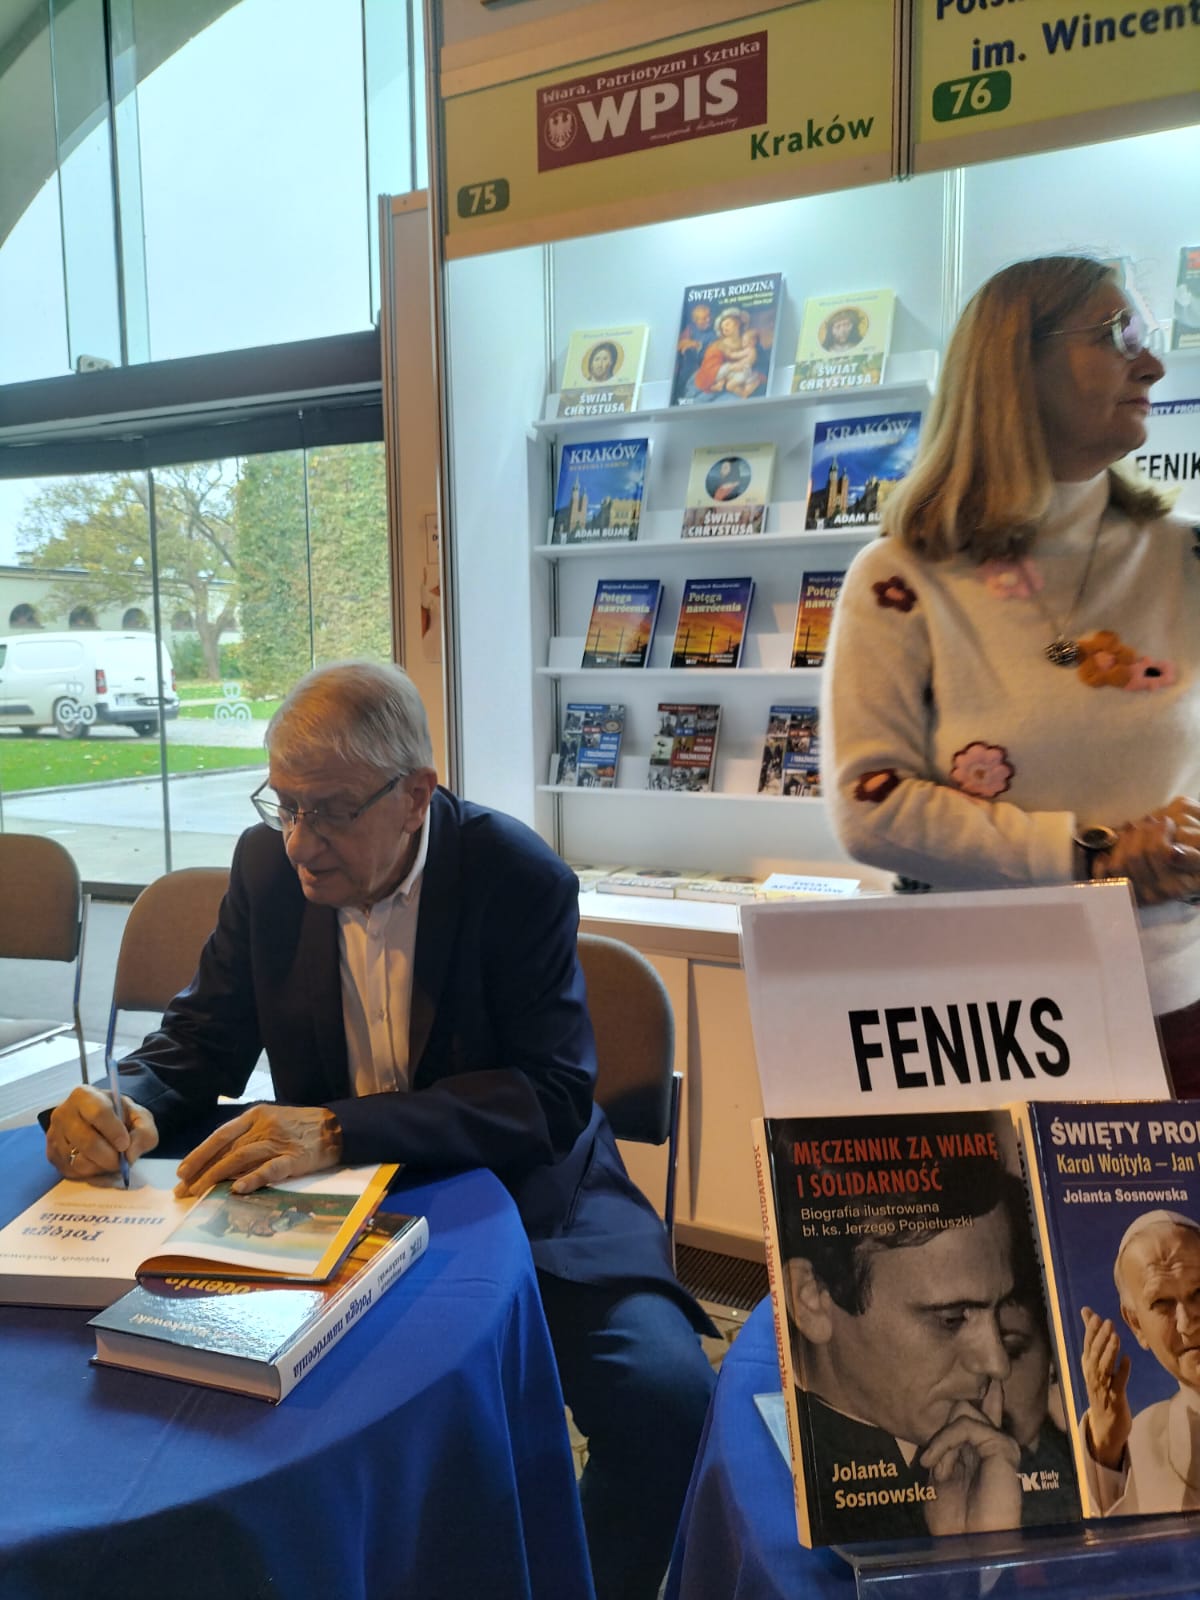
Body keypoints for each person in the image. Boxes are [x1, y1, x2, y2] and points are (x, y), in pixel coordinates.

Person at [43, 660, 715, 1600]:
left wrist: (339, 1126)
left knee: (668, 1400)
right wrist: (129, 1100)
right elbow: (200, 1039)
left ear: (415, 796)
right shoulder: (267, 870)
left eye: (328, 812)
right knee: (184, 1405)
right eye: (284, 805)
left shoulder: (515, 876)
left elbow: (550, 1097)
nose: (299, 842)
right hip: (325, 1205)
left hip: (528, 1196)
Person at [822, 255, 1200, 1092]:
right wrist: (1091, 859)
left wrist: (1182, 849)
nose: (1152, 364)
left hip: (1172, 1013)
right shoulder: (901, 577)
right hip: (970, 1028)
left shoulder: (1188, 560)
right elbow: (870, 805)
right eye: (1117, 335)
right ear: (1013, 366)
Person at [780, 1147, 1024, 1540]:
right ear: (811, 1301)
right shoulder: (780, 1508)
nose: (998, 1363)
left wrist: (968, 1549)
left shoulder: (988, 1454)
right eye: (951, 1319)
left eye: (1000, 1311)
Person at [1080, 1209, 1200, 1514]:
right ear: (1136, 1324)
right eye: (1161, 1303)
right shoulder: (1140, 1443)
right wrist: (1107, 1451)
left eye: (1199, 1292)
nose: (1188, 1323)